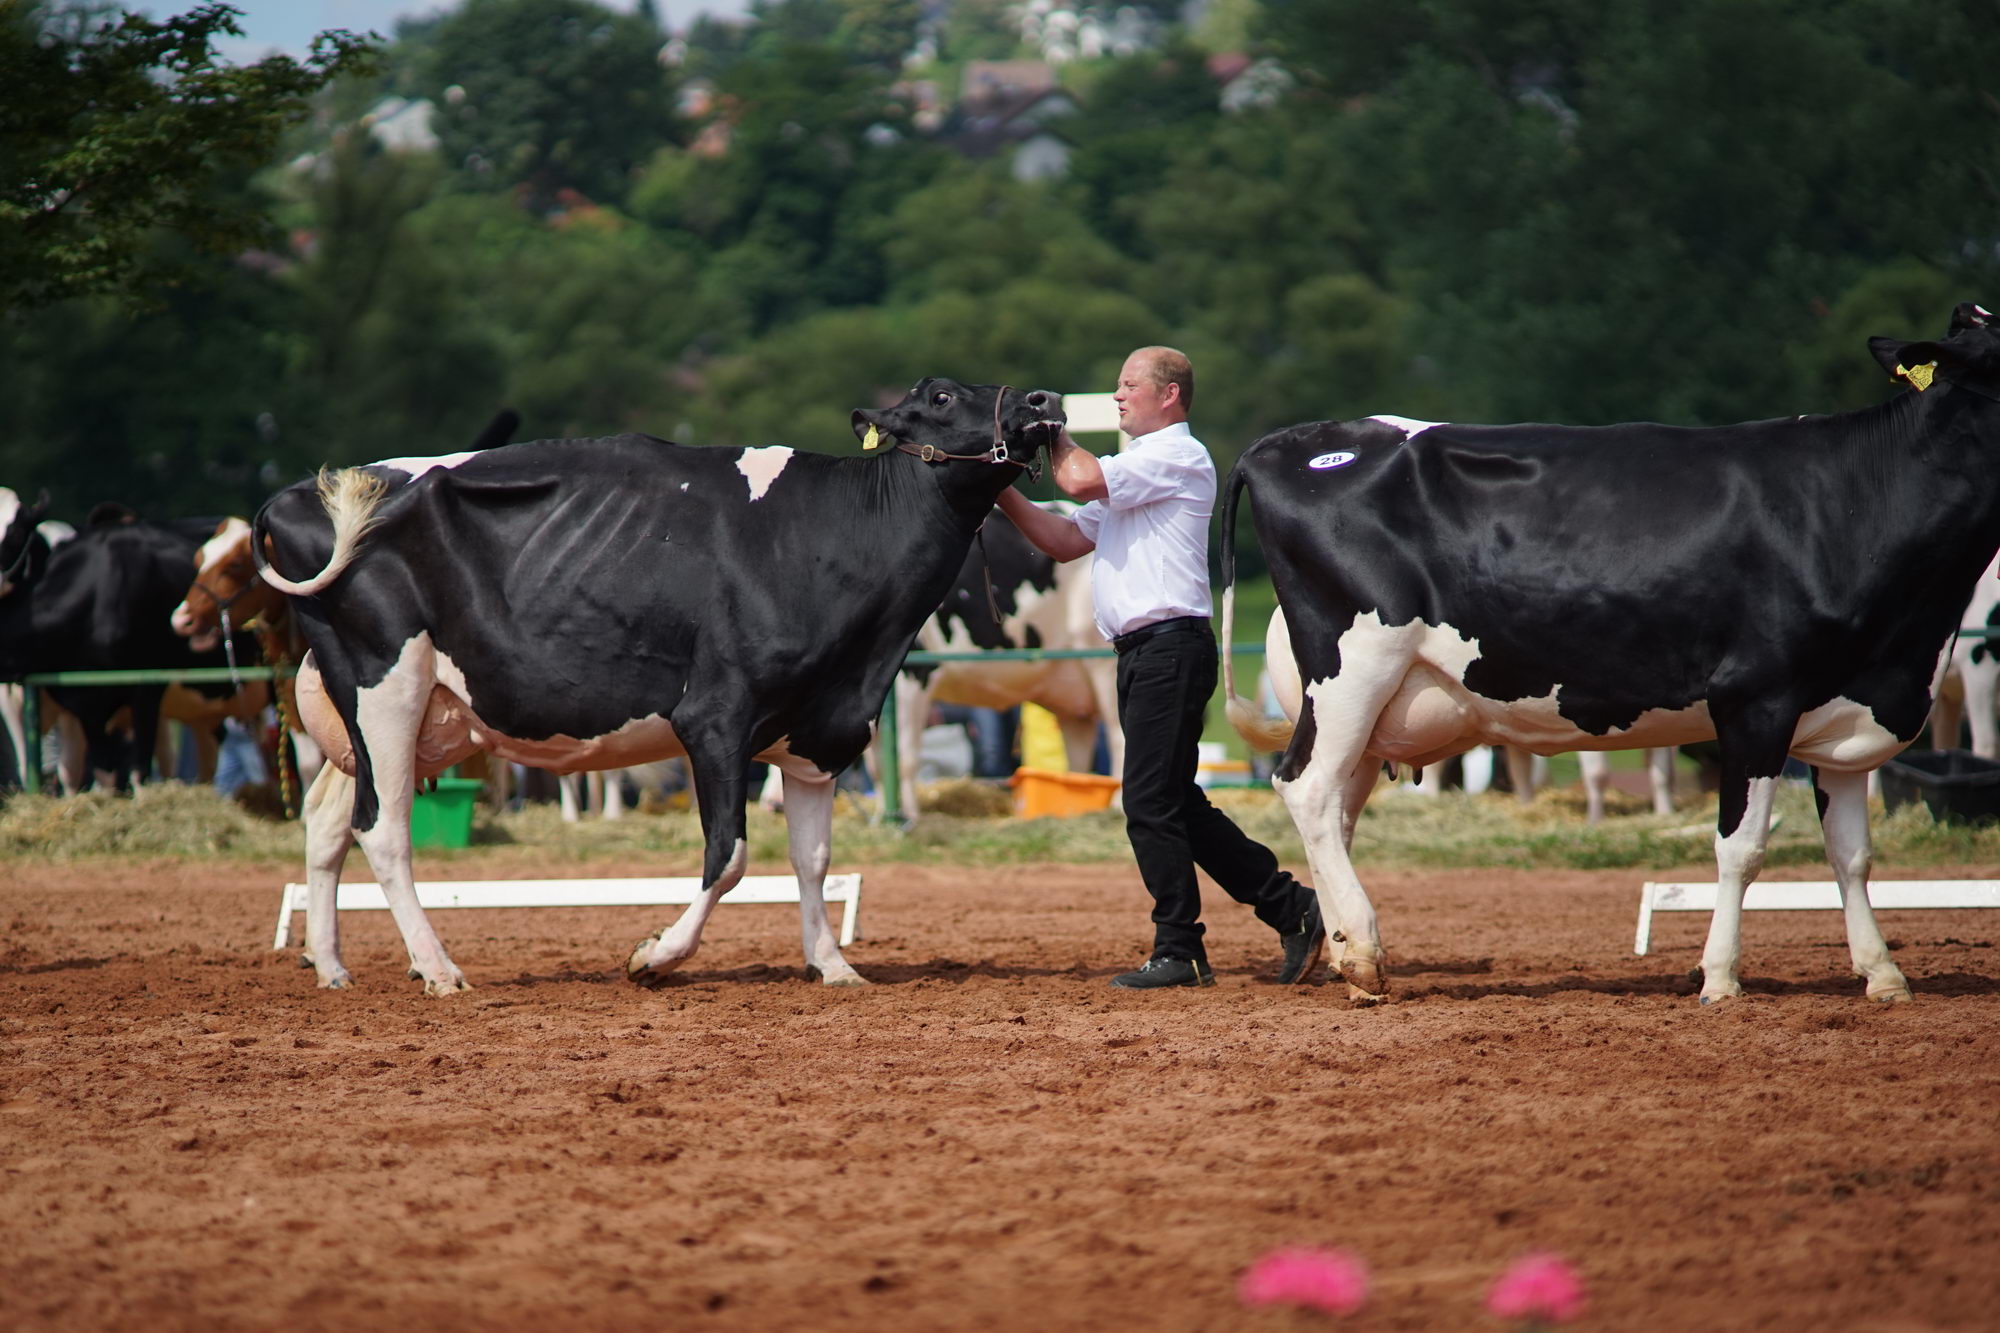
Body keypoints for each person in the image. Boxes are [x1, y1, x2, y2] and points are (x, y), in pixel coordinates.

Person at [995, 346, 1325, 988]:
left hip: (1170, 645)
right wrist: (999, 487)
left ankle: (1180, 948)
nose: (1117, 396)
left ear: (1169, 395)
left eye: (1128, 385)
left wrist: (1056, 434)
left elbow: (1079, 481)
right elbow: (1065, 541)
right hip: (1146, 652)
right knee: (1174, 801)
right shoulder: (1134, 468)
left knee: (1148, 801)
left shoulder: (1176, 455)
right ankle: (1294, 909)